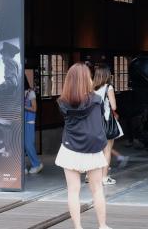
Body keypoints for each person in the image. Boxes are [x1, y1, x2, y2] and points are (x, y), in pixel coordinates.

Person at [56, 62, 112, 229]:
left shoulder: (62, 102)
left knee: (73, 190)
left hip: (70, 148)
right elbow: (99, 119)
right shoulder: (96, 100)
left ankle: (78, 227)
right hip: (92, 149)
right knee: (97, 189)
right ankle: (102, 225)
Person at [93, 64, 128, 185]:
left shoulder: (91, 88)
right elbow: (114, 106)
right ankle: (104, 178)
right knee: (107, 150)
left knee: (94, 151)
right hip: (106, 122)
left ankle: (90, 176)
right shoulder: (108, 87)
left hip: (93, 123)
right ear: (107, 75)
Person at [24, 76, 42, 174]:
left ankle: (37, 164)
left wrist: (24, 107)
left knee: (28, 144)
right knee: (21, 144)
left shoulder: (31, 93)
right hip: (20, 121)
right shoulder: (17, 92)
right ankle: (22, 167)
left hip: (29, 121)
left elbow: (34, 109)